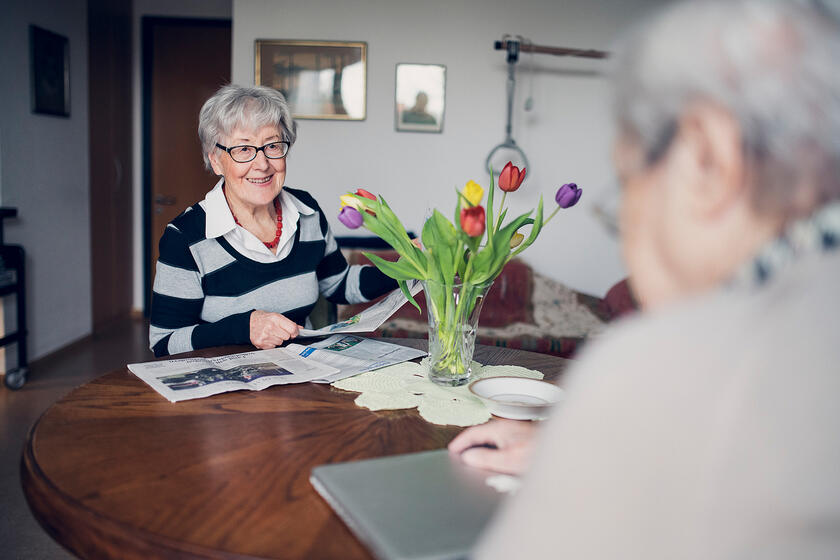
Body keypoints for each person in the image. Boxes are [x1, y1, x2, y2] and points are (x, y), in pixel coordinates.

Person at [449, 0, 840, 557]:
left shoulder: (672, 362)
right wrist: (593, 446)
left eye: (628, 181)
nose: (627, 224)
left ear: (709, 155)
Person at [149, 85, 397, 357]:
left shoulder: (307, 212)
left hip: (304, 374)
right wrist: (244, 327)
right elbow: (164, 342)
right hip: (225, 388)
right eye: (243, 149)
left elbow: (340, 284)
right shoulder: (185, 237)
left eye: (272, 145)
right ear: (216, 161)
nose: (263, 163)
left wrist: (406, 266)